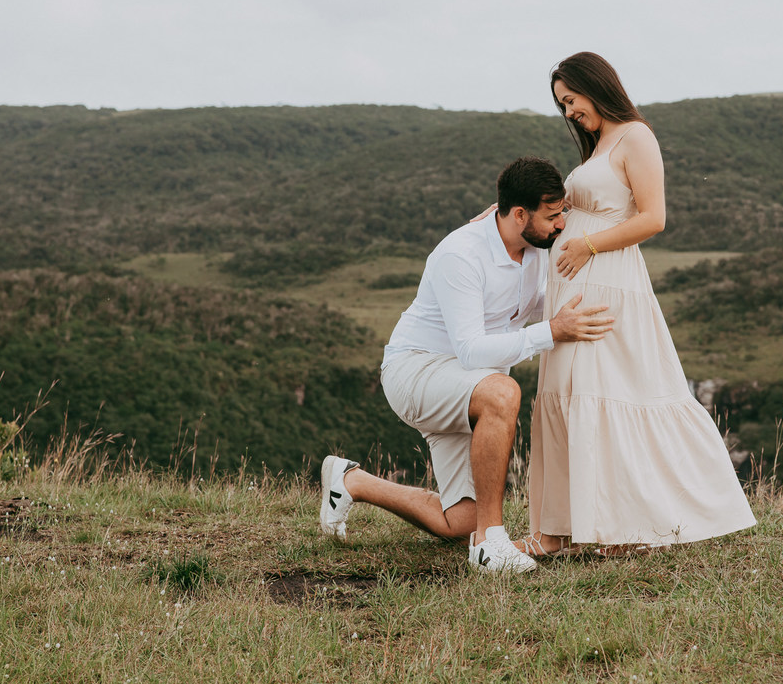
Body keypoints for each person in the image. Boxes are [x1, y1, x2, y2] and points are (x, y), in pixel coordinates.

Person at [319, 156, 614, 573]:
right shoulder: (460, 254)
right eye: (552, 216)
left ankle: (351, 481)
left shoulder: (535, 250)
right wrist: (552, 331)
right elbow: (472, 351)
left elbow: (555, 302)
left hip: (464, 387)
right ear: (518, 214)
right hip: (416, 373)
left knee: (457, 521)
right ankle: (490, 544)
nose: (561, 224)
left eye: (561, 213)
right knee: (502, 391)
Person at [522, 52, 756, 557]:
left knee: (609, 394)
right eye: (561, 105)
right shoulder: (598, 146)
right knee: (567, 396)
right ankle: (560, 529)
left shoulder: (635, 136)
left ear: (595, 86)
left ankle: (626, 529)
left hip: (607, 282)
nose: (568, 113)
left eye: (571, 100)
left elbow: (654, 218)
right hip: (575, 286)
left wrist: (587, 246)